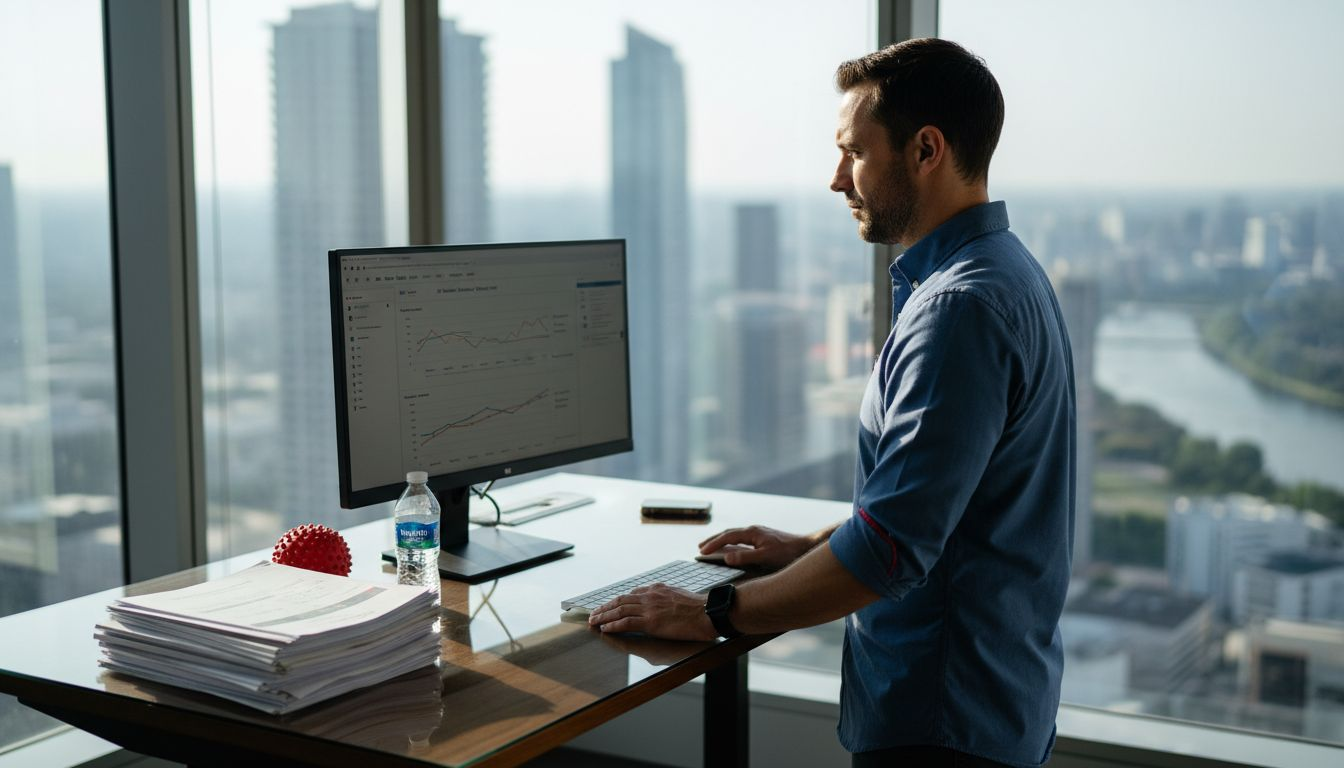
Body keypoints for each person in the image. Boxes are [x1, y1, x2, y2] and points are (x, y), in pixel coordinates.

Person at [589, 38, 1075, 768]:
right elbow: (936, 511)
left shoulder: (959, 310)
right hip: (988, 706)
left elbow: (890, 552)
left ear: (926, 150)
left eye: (853, 152)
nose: (835, 178)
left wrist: (714, 612)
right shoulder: (1009, 273)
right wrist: (810, 549)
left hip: (941, 721)